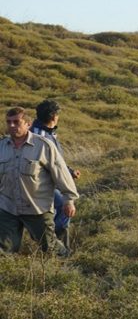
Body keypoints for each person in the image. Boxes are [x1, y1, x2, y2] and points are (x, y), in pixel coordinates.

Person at [0, 107, 78, 256]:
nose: (11, 126)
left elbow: (61, 173)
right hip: (7, 207)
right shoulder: (1, 146)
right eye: (8, 122)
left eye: (16, 122)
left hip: (37, 208)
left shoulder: (43, 146)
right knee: (4, 251)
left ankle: (67, 264)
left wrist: (69, 199)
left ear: (28, 124)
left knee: (51, 249)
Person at [30, 99, 80, 250]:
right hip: (43, 182)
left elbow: (56, 160)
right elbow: (51, 164)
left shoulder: (43, 132)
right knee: (66, 208)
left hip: (45, 180)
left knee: (57, 210)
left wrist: (69, 171)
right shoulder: (43, 136)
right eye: (57, 114)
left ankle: (52, 242)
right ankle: (53, 243)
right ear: (53, 116)